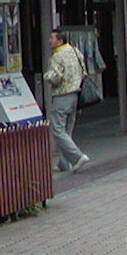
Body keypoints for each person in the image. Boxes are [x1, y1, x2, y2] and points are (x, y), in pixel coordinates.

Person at [44, 29, 89, 172]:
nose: (49, 41)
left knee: (57, 128)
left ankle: (77, 157)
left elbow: (55, 77)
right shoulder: (75, 51)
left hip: (62, 94)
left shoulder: (57, 56)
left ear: (60, 40)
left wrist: (47, 76)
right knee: (67, 129)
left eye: (52, 38)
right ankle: (64, 163)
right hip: (75, 94)